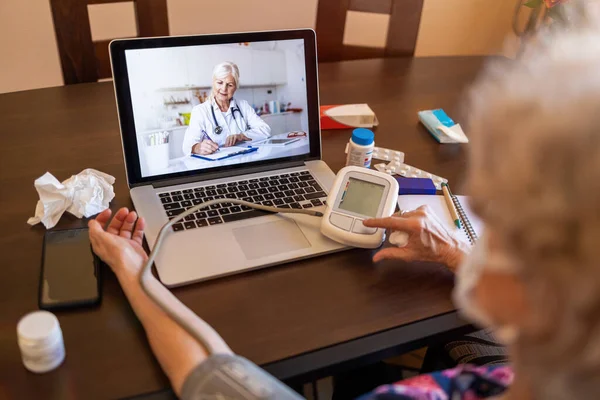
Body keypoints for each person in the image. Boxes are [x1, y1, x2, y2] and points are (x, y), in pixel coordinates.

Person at [90, 9, 600, 399]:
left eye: (494, 215)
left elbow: (212, 376)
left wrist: (132, 267)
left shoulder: (243, 104)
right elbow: (189, 151)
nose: (226, 89)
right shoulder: (559, 355)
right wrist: (454, 253)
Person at [182, 61, 271, 156]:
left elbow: (265, 130)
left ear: (236, 87)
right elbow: (187, 146)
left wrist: (241, 136)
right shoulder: (200, 111)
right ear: (213, 83)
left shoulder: (243, 106)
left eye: (230, 85)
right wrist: (197, 147)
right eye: (220, 83)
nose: (224, 89)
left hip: (243, 160)